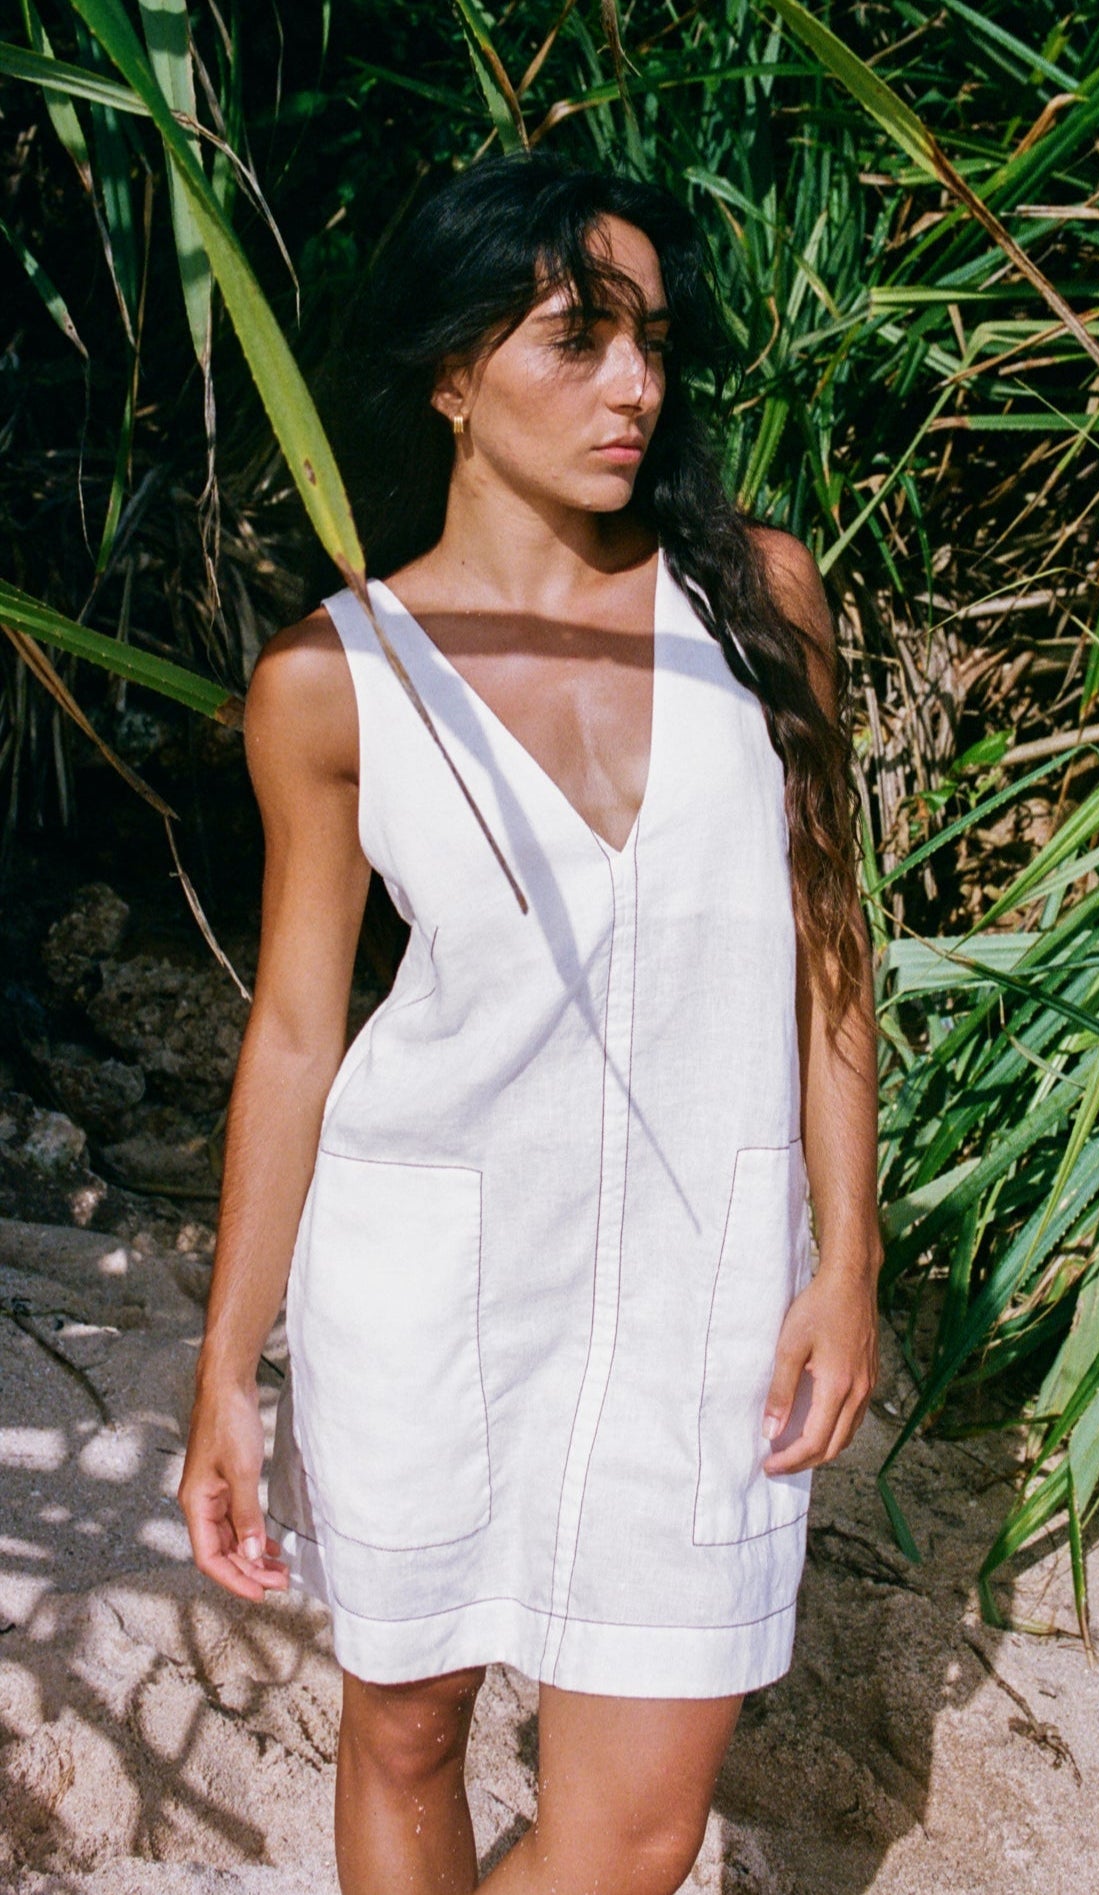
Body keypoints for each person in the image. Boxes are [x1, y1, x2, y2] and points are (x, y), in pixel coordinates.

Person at [178, 149, 883, 1895]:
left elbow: (832, 940)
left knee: (634, 1832)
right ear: (451, 373)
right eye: (579, 338)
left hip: (710, 1298)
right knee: (408, 1736)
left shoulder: (759, 600)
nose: (636, 384)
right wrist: (228, 1366)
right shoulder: (331, 681)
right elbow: (296, 1034)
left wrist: (847, 1252)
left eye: (654, 341)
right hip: (428, 1281)